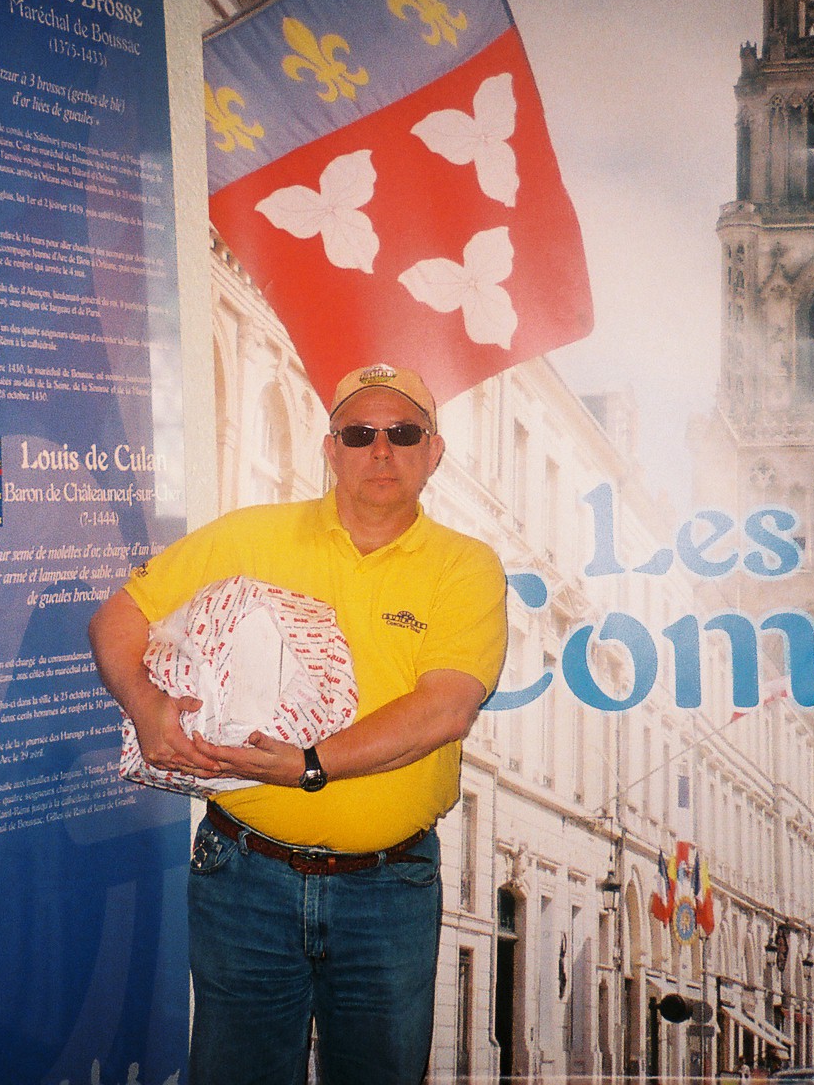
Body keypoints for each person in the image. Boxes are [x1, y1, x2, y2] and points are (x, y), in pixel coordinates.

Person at [89, 362, 508, 1085]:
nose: (381, 450)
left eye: (404, 433)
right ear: (330, 448)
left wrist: (309, 764)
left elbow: (446, 707)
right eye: (359, 433)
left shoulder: (465, 567)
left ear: (434, 451)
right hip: (242, 877)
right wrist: (146, 704)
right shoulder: (249, 534)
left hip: (389, 890)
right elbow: (116, 619)